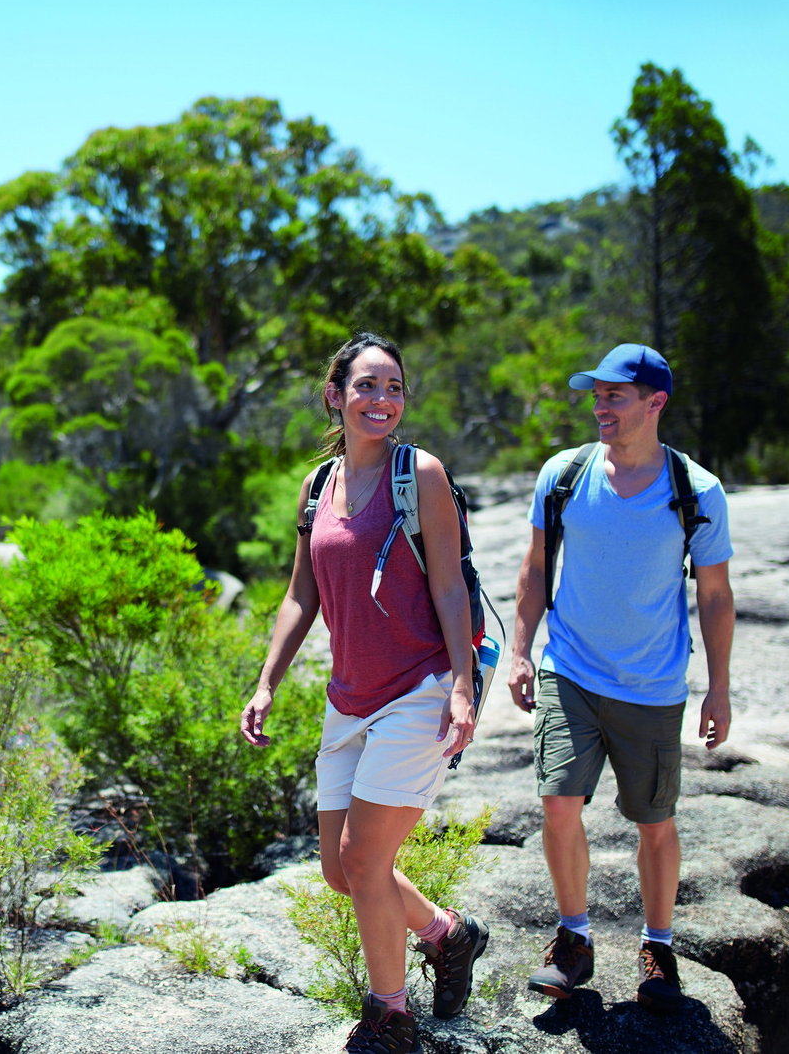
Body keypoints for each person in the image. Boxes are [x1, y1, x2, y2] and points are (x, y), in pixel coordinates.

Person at [240, 331, 490, 1054]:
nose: (382, 399)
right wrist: (266, 682)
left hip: (419, 689)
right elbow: (301, 595)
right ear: (335, 395)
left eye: (394, 387)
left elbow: (451, 587)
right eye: (367, 386)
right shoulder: (317, 487)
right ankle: (449, 934)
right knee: (338, 868)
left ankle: (391, 1016)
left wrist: (462, 685)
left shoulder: (422, 475)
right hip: (348, 698)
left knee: (363, 857)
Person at [505, 343, 735, 1014]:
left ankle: (658, 946)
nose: (600, 406)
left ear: (655, 402)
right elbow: (535, 567)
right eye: (596, 394)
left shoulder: (697, 490)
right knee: (558, 802)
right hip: (571, 670)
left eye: (615, 395)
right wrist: (520, 650)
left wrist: (719, 688)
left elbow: (714, 594)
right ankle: (573, 940)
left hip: (651, 685)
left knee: (654, 822)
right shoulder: (565, 475)